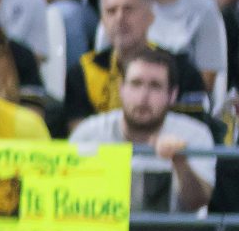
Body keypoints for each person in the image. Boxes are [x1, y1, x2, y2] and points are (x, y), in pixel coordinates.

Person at [70, 48, 217, 213]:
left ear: (172, 95)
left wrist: (180, 161)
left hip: (172, 230)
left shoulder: (195, 134)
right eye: (136, 84)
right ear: (121, 89)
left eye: (155, 86)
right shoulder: (88, 133)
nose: (143, 96)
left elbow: (199, 202)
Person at [75, 0, 201, 114]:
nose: (120, 18)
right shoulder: (83, 71)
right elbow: (78, 128)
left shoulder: (181, 71)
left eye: (128, 9)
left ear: (150, 17)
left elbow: (191, 126)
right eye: (111, 11)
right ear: (102, 21)